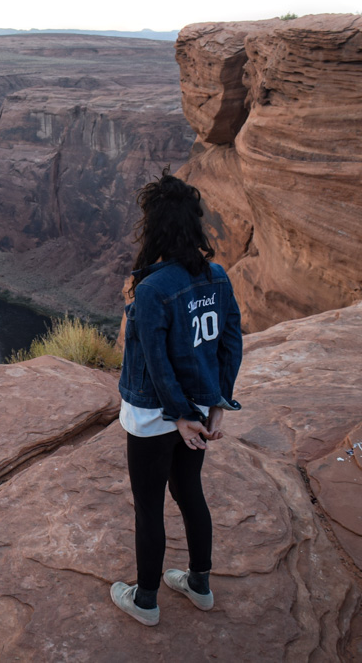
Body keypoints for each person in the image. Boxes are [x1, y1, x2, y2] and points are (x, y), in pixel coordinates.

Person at [110, 168, 243, 627]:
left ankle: (145, 601)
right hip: (196, 408)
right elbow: (230, 342)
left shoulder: (151, 290)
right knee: (189, 493)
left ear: (155, 228)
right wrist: (216, 404)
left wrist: (180, 415)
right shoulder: (218, 278)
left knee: (149, 508)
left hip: (153, 414)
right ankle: (199, 584)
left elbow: (156, 362)